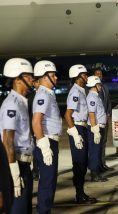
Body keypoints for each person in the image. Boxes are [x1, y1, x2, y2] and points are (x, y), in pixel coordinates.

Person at [0, 58, 34, 214]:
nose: (32, 79)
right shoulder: (11, 104)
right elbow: (7, 141)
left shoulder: (21, 101)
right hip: (16, 165)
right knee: (18, 209)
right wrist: (14, 172)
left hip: (24, 164)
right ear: (17, 79)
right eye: (28, 76)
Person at [64, 65, 97, 203]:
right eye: (84, 74)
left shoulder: (81, 91)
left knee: (83, 164)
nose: (86, 77)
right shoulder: (76, 92)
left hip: (82, 128)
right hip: (77, 128)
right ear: (78, 77)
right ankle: (79, 195)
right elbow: (67, 115)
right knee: (79, 164)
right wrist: (75, 134)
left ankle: (81, 193)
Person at [32, 60, 62, 214]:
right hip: (47, 141)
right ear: (44, 77)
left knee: (50, 183)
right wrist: (44, 146)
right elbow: (36, 122)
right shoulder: (43, 95)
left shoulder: (47, 94)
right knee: (47, 183)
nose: (56, 77)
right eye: (52, 75)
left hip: (50, 141)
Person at [86, 76, 108, 182]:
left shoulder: (96, 96)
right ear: (94, 85)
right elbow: (91, 114)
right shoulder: (92, 97)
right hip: (96, 128)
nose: (100, 86)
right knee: (94, 151)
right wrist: (95, 130)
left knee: (98, 150)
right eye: (99, 85)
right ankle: (94, 174)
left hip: (99, 127)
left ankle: (97, 171)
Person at [93, 68, 114, 171]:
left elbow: (108, 101)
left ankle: (103, 163)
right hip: (97, 120)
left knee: (104, 141)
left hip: (105, 119)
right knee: (97, 143)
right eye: (97, 74)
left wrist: (108, 113)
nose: (99, 75)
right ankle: (97, 165)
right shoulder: (92, 89)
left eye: (100, 74)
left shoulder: (104, 87)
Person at [28, 78, 40, 181]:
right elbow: (28, 113)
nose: (38, 84)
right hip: (34, 126)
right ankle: (36, 170)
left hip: (44, 127)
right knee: (36, 150)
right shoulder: (31, 96)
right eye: (36, 82)